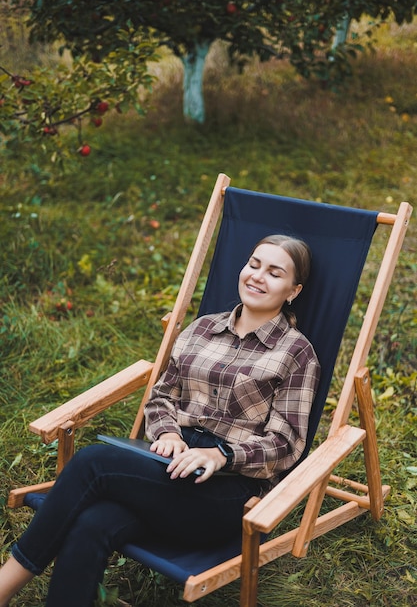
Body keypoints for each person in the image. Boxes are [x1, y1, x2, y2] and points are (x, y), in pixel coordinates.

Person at [0, 234, 320, 607]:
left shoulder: (296, 353)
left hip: (229, 490)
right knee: (92, 523)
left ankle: (4, 586)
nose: (258, 277)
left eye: (274, 273)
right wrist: (168, 433)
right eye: (254, 264)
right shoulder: (202, 329)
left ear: (293, 290)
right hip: (170, 464)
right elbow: (162, 396)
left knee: (92, 464)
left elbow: (286, 444)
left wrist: (222, 455)